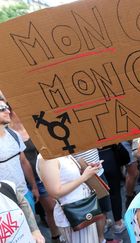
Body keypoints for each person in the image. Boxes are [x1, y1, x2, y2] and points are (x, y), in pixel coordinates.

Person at [8, 109, 63, 243]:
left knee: (51, 207)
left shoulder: (31, 126)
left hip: (38, 176)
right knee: (27, 216)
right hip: (20, 179)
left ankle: (55, 236)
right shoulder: (8, 131)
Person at [37, 154, 99, 243]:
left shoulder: (60, 151)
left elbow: (69, 177)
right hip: (72, 214)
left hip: (84, 208)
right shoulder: (46, 158)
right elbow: (55, 192)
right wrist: (84, 177)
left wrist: (88, 170)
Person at [0, 96, 39, 212]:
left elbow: (23, 162)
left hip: (24, 194)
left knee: (34, 228)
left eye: (7, 107)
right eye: (2, 109)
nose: (8, 111)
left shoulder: (14, 135)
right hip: (4, 201)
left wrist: (34, 187)